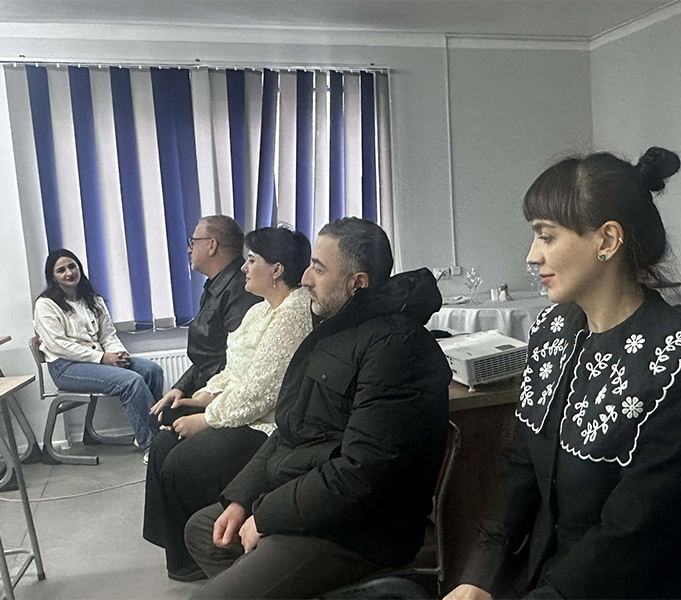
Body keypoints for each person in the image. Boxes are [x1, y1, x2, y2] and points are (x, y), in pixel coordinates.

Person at [447, 148, 681, 600]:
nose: (532, 255)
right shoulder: (552, 330)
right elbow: (521, 464)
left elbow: (634, 534)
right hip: (543, 574)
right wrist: (476, 576)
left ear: (607, 240)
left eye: (546, 236)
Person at [184, 217, 452, 599]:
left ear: (357, 283)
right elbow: (289, 428)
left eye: (319, 268)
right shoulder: (334, 329)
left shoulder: (396, 348)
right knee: (202, 530)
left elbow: (361, 474)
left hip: (358, 529)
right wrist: (242, 498)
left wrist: (267, 515)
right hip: (314, 501)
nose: (305, 278)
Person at [143, 227, 313, 582]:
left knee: (180, 464)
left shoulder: (294, 314)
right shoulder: (260, 310)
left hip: (265, 425)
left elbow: (261, 392)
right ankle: (179, 553)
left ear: (277, 269)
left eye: (251, 261)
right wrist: (202, 396)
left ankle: (200, 551)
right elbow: (234, 369)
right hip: (238, 410)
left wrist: (206, 418)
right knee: (162, 441)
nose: (244, 268)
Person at [33, 249, 163, 460]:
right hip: (65, 367)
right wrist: (103, 358)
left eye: (72, 266)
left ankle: (153, 433)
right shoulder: (45, 304)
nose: (69, 273)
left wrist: (118, 355)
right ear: (53, 277)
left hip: (98, 360)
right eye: (61, 270)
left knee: (152, 370)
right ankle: (152, 446)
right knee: (131, 382)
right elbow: (58, 345)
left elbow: (108, 335)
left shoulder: (93, 300)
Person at [149, 215, 261, 426]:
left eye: (193, 242)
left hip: (221, 394)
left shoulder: (241, 290)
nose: (189, 249)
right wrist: (180, 387)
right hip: (207, 386)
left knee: (163, 421)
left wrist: (199, 400)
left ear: (211, 245)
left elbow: (236, 360)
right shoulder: (215, 286)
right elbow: (206, 358)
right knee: (158, 415)